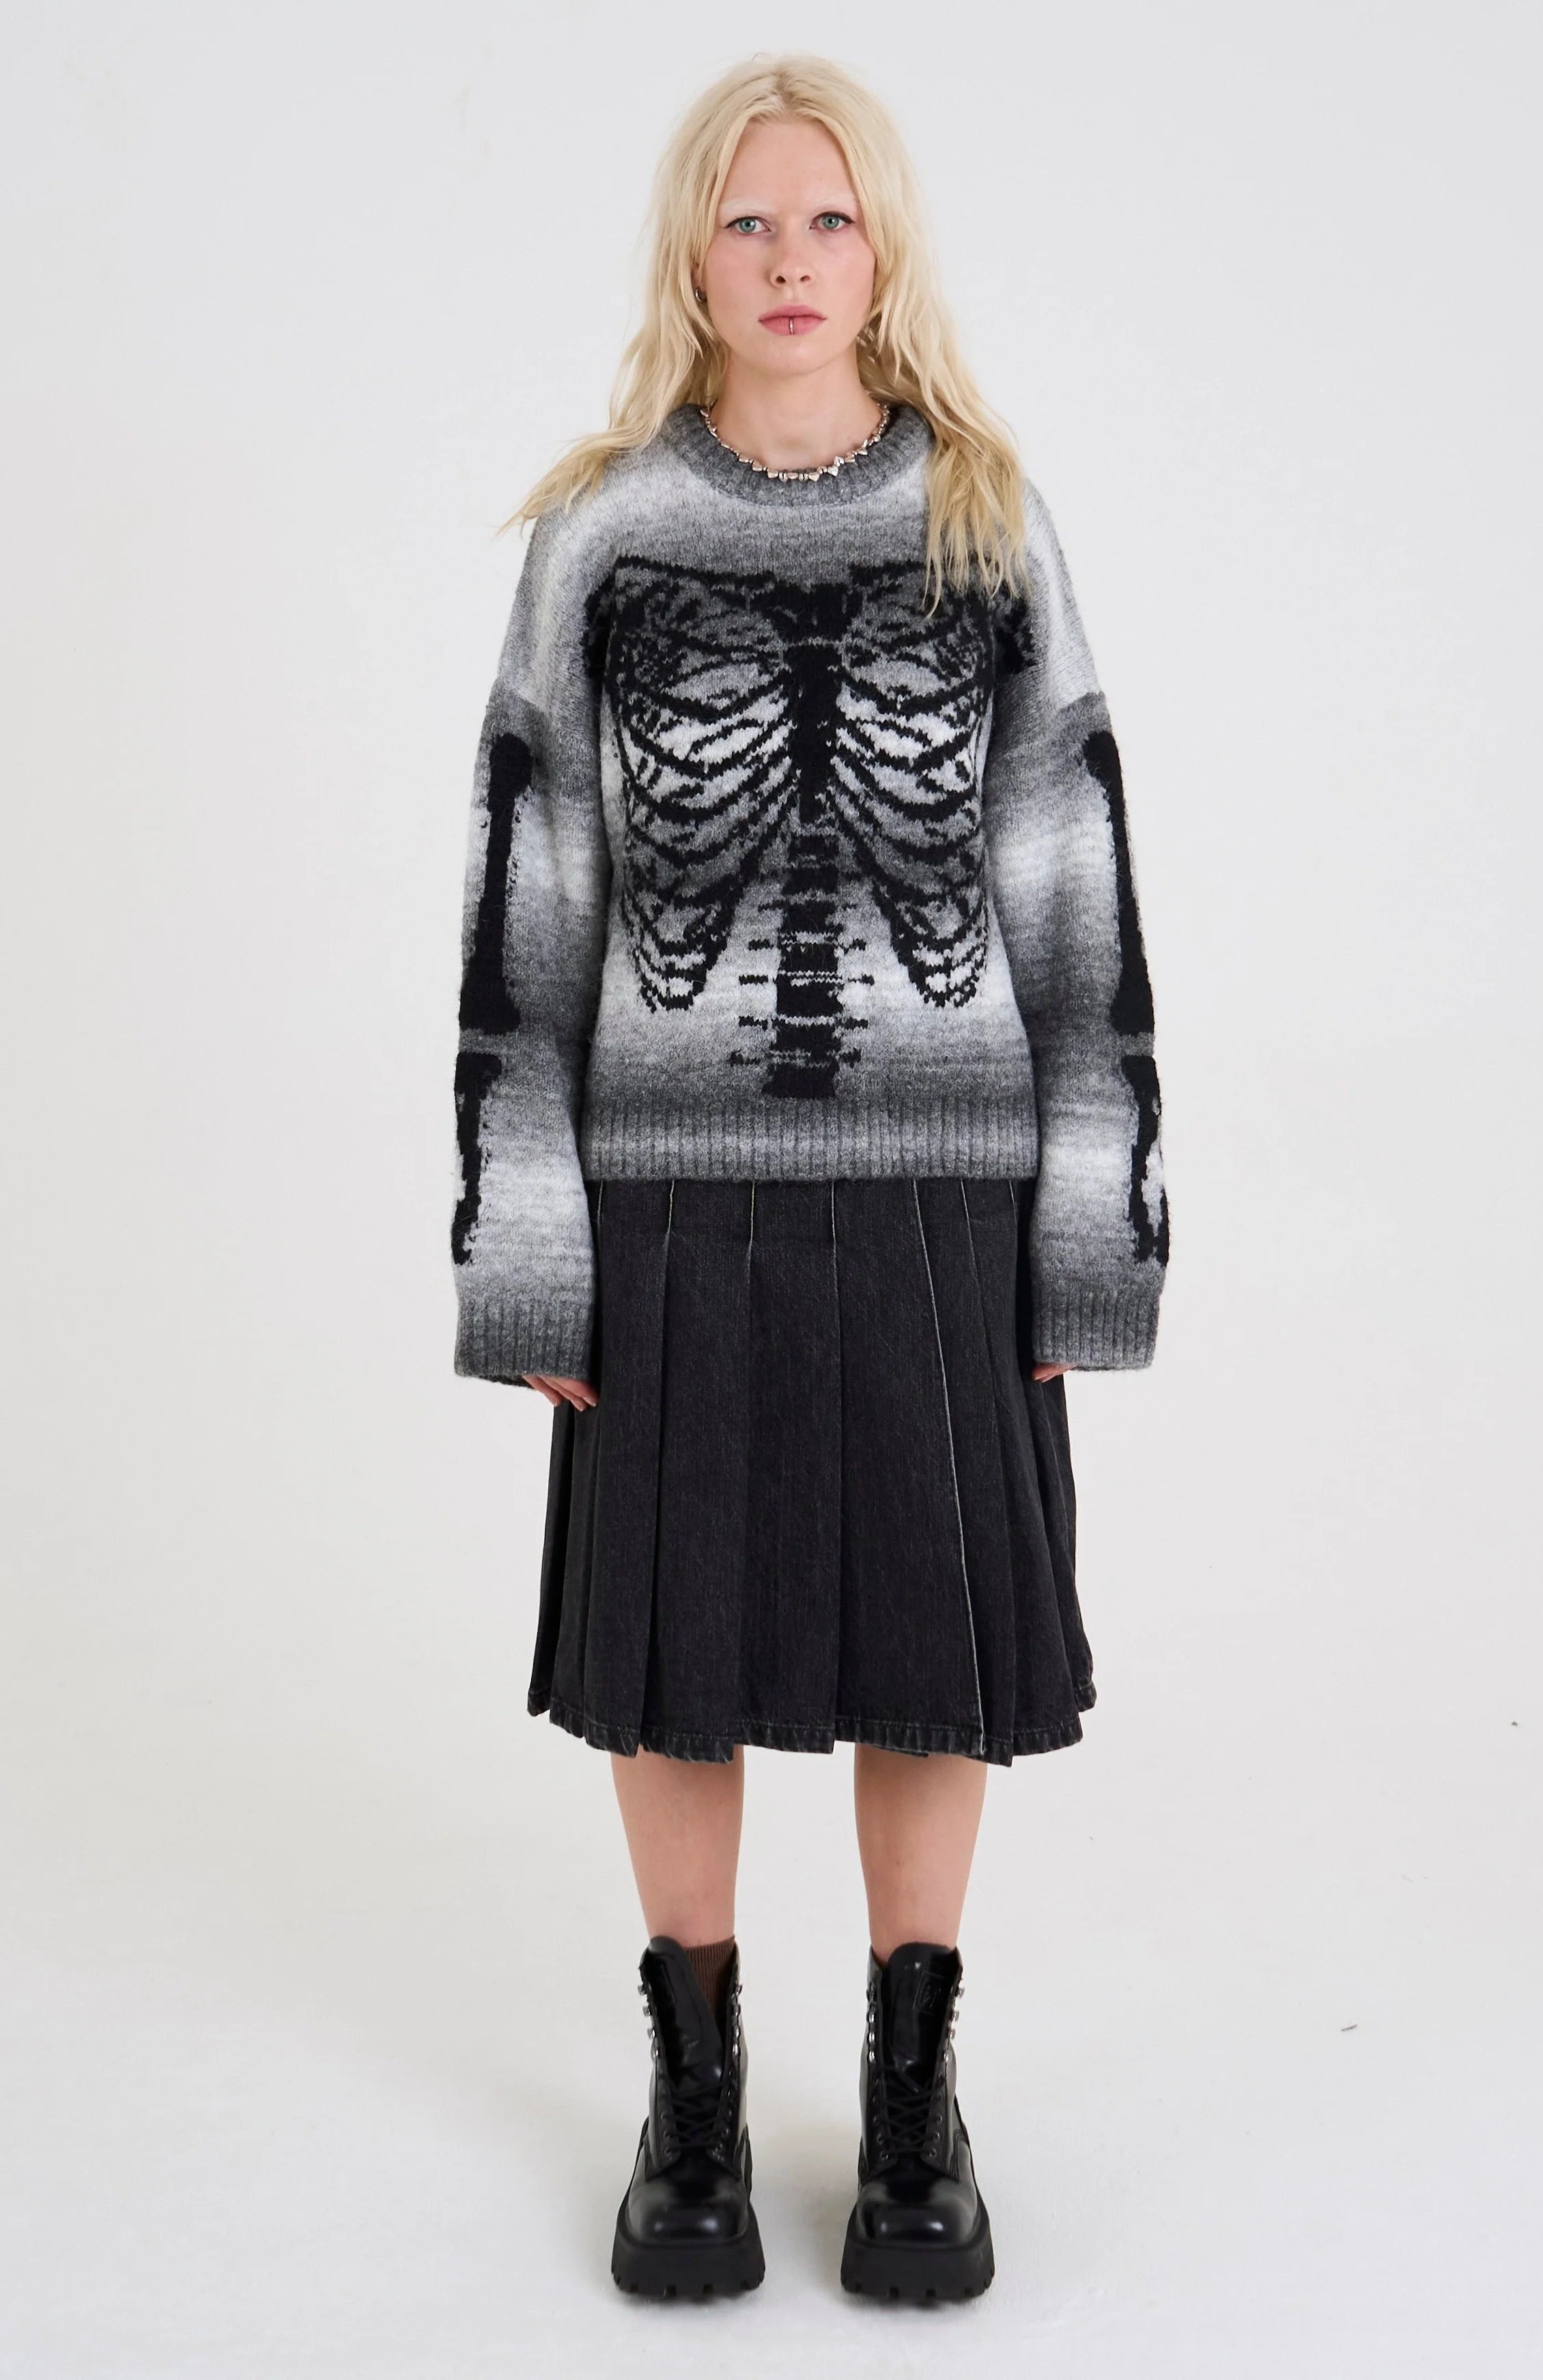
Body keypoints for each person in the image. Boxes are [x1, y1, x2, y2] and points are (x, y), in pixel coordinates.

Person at [450, 51, 1169, 2305]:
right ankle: (690, 2099)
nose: (786, 261)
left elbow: (1070, 878)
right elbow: (533, 888)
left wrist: (1090, 1217)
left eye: (827, 220)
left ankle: (911, 2097)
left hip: (946, 1184)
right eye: (748, 219)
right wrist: (528, 1232)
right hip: (665, 1186)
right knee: (670, 1647)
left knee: (928, 1645)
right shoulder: (601, 536)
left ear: (884, 254)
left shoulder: (983, 517)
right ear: (693, 253)